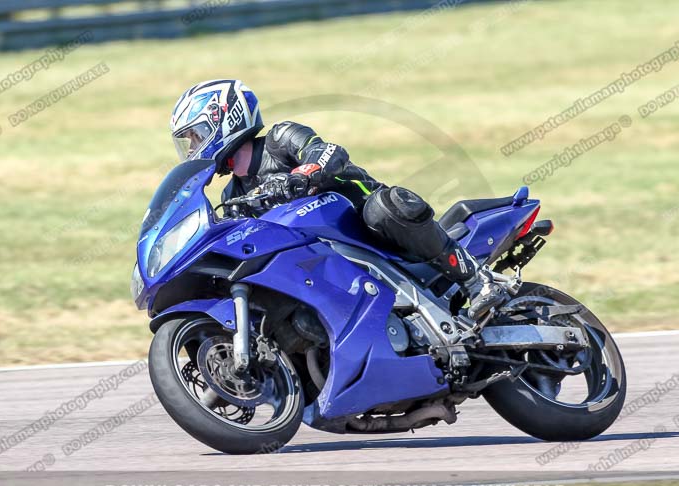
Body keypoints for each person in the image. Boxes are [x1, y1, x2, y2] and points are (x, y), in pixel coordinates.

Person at [169, 79, 505, 319]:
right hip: (324, 255)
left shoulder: (279, 138)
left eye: (195, 137)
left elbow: (329, 151)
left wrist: (303, 174)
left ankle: (477, 280)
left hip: (363, 221)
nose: (193, 149)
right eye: (187, 142)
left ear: (222, 119)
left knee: (383, 209)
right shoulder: (234, 195)